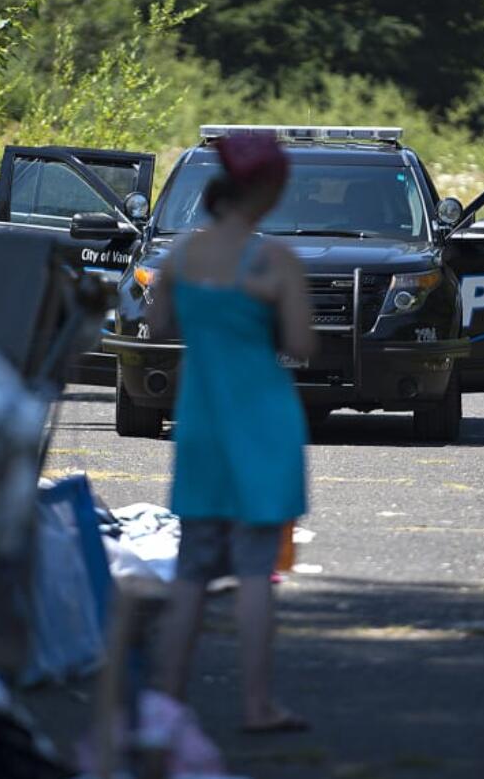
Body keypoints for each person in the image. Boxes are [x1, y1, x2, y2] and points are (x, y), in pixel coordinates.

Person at [149, 133, 318, 733]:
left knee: (191, 570)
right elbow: (301, 345)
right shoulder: (274, 261)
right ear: (267, 189)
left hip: (201, 419)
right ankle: (256, 705)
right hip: (264, 422)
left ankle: (165, 703)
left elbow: (158, 322)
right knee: (254, 570)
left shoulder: (180, 256)